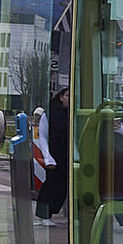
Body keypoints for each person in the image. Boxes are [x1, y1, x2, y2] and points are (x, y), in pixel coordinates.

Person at [33, 86, 70, 226]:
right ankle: (44, 215)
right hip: (55, 154)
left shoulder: (72, 114)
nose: (69, 99)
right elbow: (43, 136)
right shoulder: (49, 114)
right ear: (61, 97)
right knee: (51, 185)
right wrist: (48, 157)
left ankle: (53, 211)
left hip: (68, 155)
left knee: (64, 186)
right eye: (67, 96)